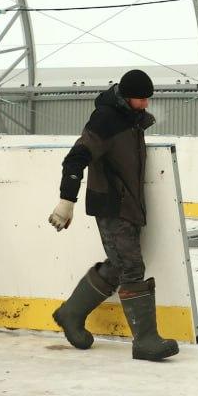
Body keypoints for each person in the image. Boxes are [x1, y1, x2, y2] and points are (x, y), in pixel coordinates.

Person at [47, 69, 179, 362]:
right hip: (112, 206)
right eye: (140, 99)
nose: (145, 104)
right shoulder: (105, 120)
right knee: (131, 267)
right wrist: (66, 200)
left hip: (129, 205)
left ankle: (71, 313)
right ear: (125, 96)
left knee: (120, 265)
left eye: (148, 99)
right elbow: (76, 158)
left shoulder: (132, 122)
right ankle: (145, 341)